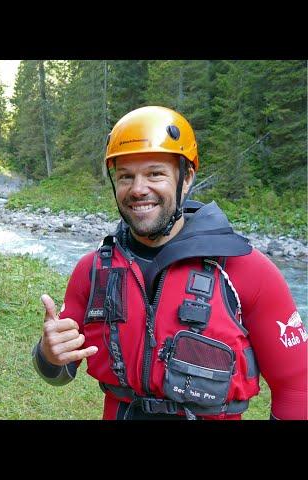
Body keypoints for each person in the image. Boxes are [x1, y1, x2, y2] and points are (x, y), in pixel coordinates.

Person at [32, 106, 307, 420]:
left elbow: (298, 388)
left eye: (154, 173)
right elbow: (57, 373)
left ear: (186, 177)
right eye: (125, 176)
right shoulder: (93, 271)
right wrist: (49, 354)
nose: (138, 189)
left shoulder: (248, 272)